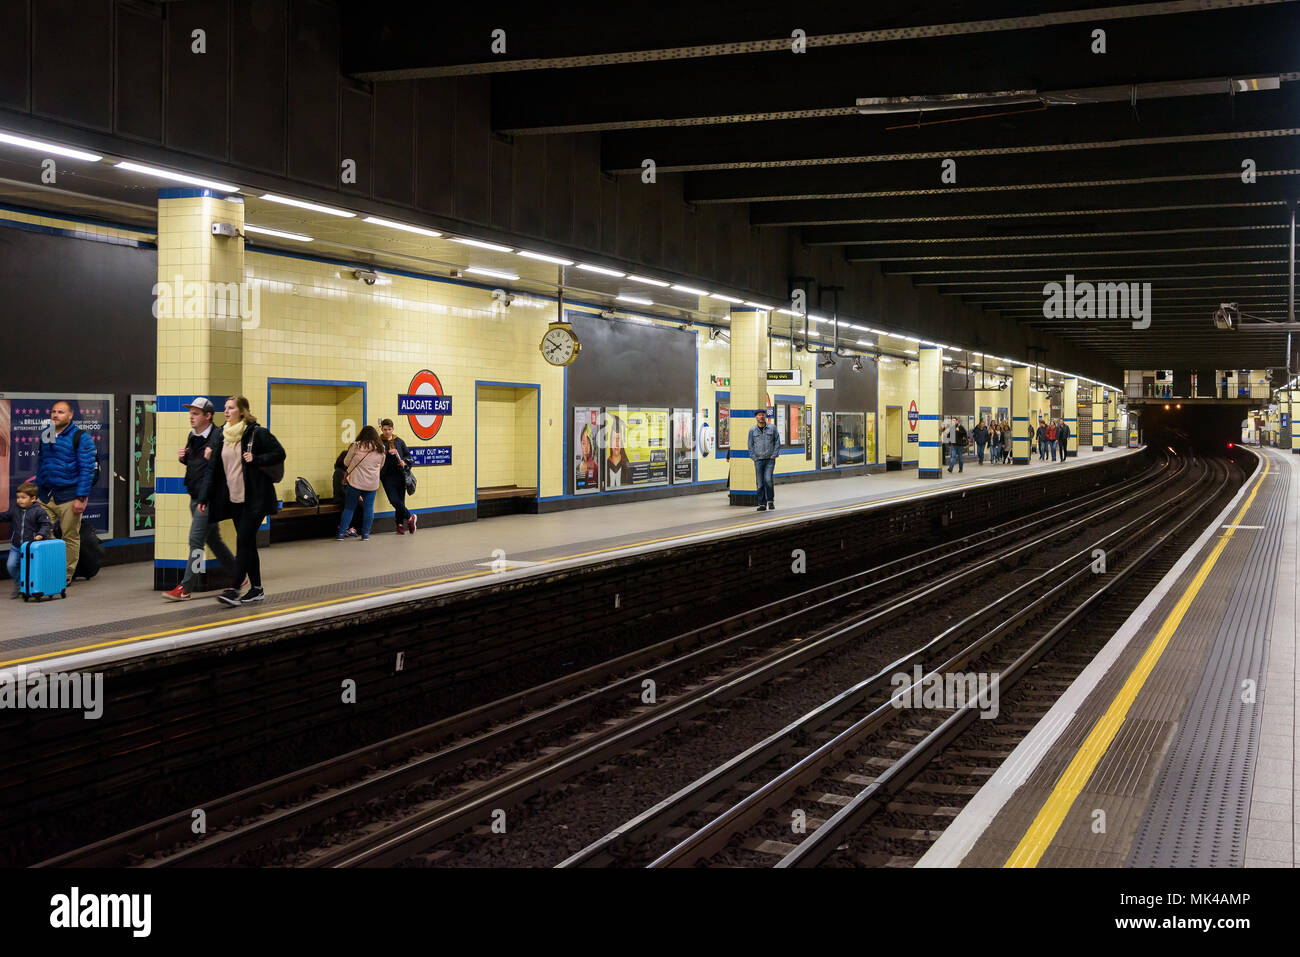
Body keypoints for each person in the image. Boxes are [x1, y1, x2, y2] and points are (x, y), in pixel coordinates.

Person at [198, 395, 286, 606]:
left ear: (242, 411)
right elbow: (213, 469)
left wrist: (257, 459)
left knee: (243, 542)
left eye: (231, 408)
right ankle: (256, 589)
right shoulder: (222, 435)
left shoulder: (256, 433)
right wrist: (204, 496)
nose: (226, 411)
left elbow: (279, 453)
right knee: (248, 544)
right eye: (225, 408)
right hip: (234, 499)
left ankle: (234, 588)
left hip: (255, 498)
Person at [163, 398, 239, 601]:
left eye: (196, 413)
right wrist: (184, 458)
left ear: (208, 416)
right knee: (213, 540)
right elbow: (197, 466)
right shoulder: (193, 436)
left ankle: (186, 587)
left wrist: (215, 457)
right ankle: (238, 575)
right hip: (195, 496)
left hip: (209, 499)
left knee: (195, 540)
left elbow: (229, 465)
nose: (191, 417)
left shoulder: (219, 436)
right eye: (191, 413)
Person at [35, 399, 97, 586]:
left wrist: (81, 497)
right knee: (42, 532)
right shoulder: (47, 433)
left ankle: (65, 574)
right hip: (46, 495)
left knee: (70, 536)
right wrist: (38, 490)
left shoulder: (81, 437)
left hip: (69, 496)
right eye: (54, 411)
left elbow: (87, 469)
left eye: (61, 412)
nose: (55, 415)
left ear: (70, 415)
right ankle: (52, 568)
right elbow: (42, 463)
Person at [3, 481, 54, 598]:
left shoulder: (39, 511)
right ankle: (20, 584)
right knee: (11, 565)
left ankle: (29, 587)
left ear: (33, 498)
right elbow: (5, 516)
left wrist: (41, 534)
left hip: (31, 547)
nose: (19, 500)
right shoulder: (15, 509)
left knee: (30, 568)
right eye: (18, 497)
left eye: (23, 498)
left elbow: (46, 524)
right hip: (16, 546)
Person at [337, 425, 384, 542]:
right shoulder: (381, 448)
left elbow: (346, 462)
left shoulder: (356, 445)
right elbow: (381, 465)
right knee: (369, 508)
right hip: (372, 483)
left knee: (349, 508)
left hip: (355, 482)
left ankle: (341, 533)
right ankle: (366, 534)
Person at [379, 418, 416, 535]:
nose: (387, 432)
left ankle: (399, 524)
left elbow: (408, 456)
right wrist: (387, 453)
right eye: (385, 429)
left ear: (393, 429)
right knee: (393, 500)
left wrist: (404, 461)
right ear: (381, 429)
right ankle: (410, 517)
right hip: (386, 476)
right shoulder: (378, 443)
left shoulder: (399, 441)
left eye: (389, 429)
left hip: (400, 475)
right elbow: (376, 457)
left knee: (400, 500)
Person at [748, 408, 778, 511]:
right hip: (758, 460)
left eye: (763, 415)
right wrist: (754, 457)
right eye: (759, 415)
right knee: (760, 482)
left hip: (770, 459)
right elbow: (750, 445)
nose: (761, 417)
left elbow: (777, 441)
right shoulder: (752, 430)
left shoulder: (772, 428)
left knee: (768, 479)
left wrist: (774, 455)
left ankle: (770, 501)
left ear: (765, 416)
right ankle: (762, 504)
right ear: (756, 417)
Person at [333, 449, 360, 537]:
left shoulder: (348, 472)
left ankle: (349, 527)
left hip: (347, 495)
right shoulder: (338, 472)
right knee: (354, 505)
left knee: (360, 505)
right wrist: (354, 496)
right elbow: (341, 489)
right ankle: (346, 527)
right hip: (341, 497)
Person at [605, 415, 630, 488]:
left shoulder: (627, 466)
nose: (616, 442)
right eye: (613, 439)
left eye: (618, 438)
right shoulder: (605, 465)